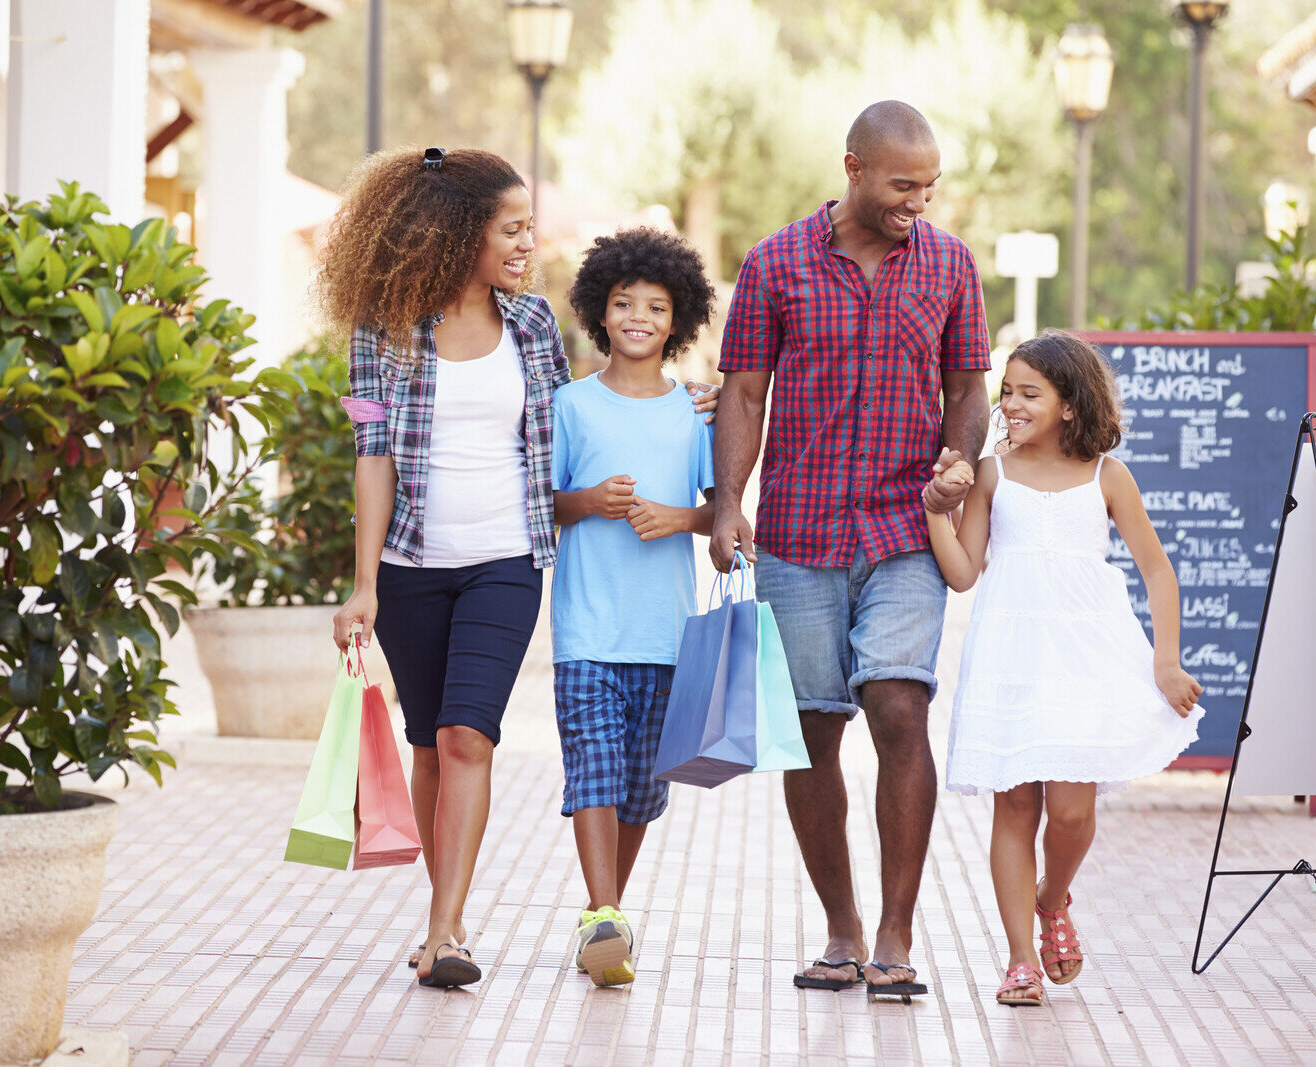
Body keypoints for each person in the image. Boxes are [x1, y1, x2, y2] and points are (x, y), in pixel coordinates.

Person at [320, 147, 716, 990]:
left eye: (529, 227)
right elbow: (370, 453)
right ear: (460, 233)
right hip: (410, 568)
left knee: (469, 734)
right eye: (512, 228)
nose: (528, 242)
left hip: (506, 561)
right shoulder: (379, 331)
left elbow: (587, 413)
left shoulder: (534, 324)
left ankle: (444, 928)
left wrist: (688, 402)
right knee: (428, 743)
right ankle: (446, 917)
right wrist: (363, 584)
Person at [711, 101, 991, 1000]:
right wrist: (727, 504)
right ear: (854, 168)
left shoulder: (949, 264)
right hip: (799, 533)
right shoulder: (774, 263)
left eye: (930, 185)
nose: (920, 200)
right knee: (813, 732)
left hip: (907, 527)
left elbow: (969, 388)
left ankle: (898, 937)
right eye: (904, 184)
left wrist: (959, 462)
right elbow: (744, 395)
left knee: (900, 707)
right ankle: (842, 927)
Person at [923, 330, 1203, 1007]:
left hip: (1087, 654)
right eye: (1007, 392)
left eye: (1029, 393)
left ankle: (1053, 900)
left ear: (1070, 403)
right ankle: (1020, 959)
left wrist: (1166, 659)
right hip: (1010, 654)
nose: (1011, 405)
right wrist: (937, 511)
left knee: (1072, 811)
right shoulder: (991, 472)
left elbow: (1157, 569)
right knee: (1015, 805)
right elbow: (962, 574)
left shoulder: (1108, 475)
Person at [550, 227, 718, 987]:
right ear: (599, 311)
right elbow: (542, 505)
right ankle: (603, 913)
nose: (639, 316)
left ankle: (606, 915)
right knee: (593, 767)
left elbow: (726, 514)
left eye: (656, 305)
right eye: (624, 303)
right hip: (587, 626)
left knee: (642, 789)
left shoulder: (697, 414)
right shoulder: (570, 405)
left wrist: (676, 517)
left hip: (666, 631)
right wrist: (589, 501)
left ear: (677, 318)